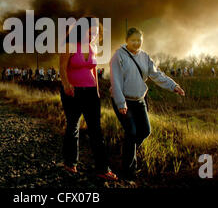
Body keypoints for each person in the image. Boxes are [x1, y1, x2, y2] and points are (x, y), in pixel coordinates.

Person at [110, 27, 185, 180]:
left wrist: (173, 86)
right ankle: (128, 171)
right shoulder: (119, 56)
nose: (136, 43)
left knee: (145, 131)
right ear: (126, 40)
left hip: (139, 100)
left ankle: (126, 153)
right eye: (133, 40)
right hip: (124, 100)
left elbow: (156, 74)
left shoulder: (145, 56)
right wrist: (120, 102)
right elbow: (115, 80)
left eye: (139, 40)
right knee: (131, 132)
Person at [59, 17, 118, 181]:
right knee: (73, 126)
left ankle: (102, 168)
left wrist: (97, 91)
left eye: (96, 33)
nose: (93, 36)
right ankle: (70, 163)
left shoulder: (92, 47)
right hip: (72, 92)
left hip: (91, 92)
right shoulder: (70, 45)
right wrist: (66, 85)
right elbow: (62, 67)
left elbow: (94, 71)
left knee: (96, 130)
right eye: (90, 32)